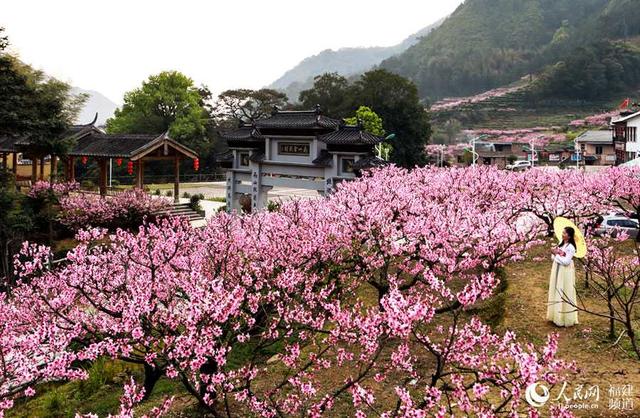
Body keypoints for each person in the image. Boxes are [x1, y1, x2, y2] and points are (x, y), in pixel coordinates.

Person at [546, 226, 579, 327]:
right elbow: (554, 258)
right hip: (557, 269)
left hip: (565, 271)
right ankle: (555, 315)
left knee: (564, 289)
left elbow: (566, 262)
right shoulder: (561, 244)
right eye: (563, 232)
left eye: (565, 233)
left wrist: (556, 256)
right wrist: (554, 253)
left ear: (569, 236)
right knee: (556, 289)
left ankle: (564, 318)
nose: (562, 234)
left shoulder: (571, 247)